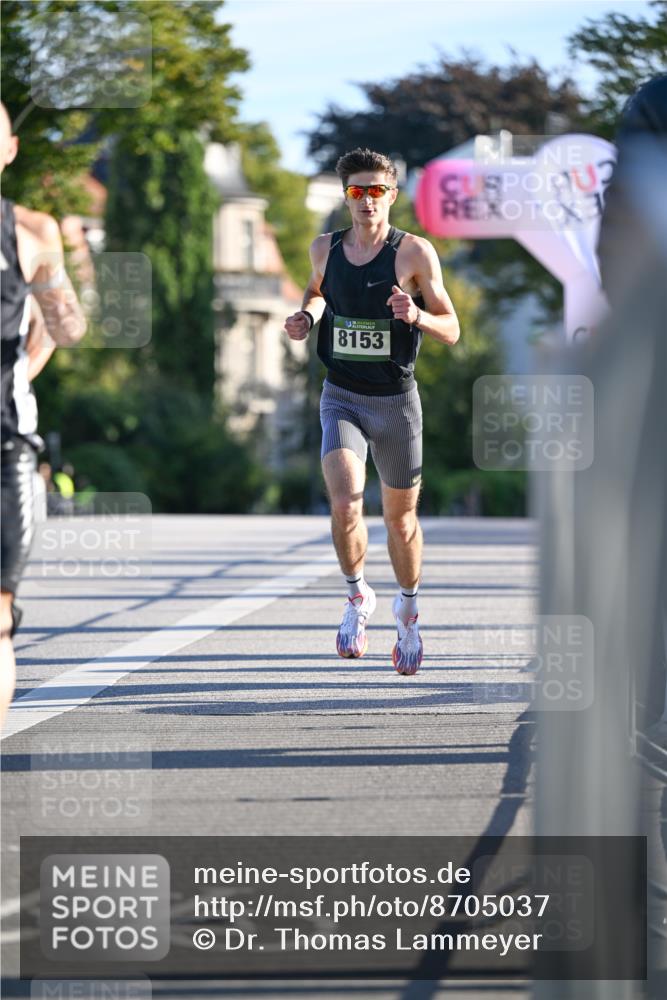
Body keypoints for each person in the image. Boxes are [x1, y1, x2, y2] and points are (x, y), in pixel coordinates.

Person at [285, 148, 459, 674]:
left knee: (400, 520)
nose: (366, 201)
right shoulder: (324, 248)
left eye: (376, 191)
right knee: (345, 505)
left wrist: (418, 316)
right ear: (346, 197)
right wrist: (306, 317)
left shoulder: (414, 254)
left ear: (392, 195)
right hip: (341, 394)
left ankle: (407, 609)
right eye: (357, 191)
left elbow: (452, 328)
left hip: (396, 402)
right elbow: (316, 293)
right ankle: (358, 597)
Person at [1, 100, 87, 723]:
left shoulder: (30, 233)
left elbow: (69, 326)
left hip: (4, 444)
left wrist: (61, 277)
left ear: (9, 150)